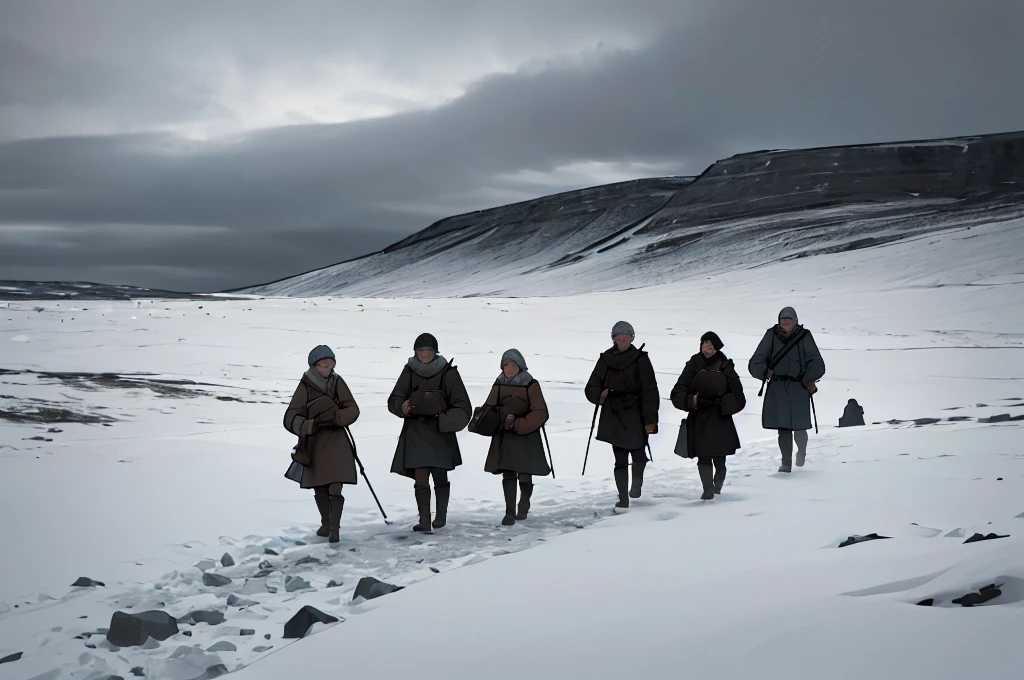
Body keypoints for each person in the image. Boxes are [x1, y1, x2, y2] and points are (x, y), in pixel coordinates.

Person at [388, 333, 472, 532]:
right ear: (415, 352)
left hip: (440, 431)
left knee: (440, 474)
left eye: (428, 350)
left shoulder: (447, 372)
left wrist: (444, 420)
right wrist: (403, 406)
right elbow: (394, 399)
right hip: (416, 430)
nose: (424, 354)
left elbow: (462, 406)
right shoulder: (408, 371)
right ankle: (424, 520)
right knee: (421, 475)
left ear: (435, 352)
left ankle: (440, 517)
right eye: (421, 350)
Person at [282, 345, 361, 543]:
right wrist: (309, 425)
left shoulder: (337, 382)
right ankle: (327, 525)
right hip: (314, 443)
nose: (326, 367)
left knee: (336, 484)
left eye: (329, 363)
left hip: (337, 441)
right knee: (320, 486)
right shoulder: (306, 385)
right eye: (322, 364)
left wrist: (336, 417)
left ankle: (334, 529)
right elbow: (290, 416)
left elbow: (353, 409)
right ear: (314, 366)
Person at [584, 321, 659, 509]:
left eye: (624, 334)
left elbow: (650, 390)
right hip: (613, 411)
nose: (621, 338)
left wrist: (650, 419)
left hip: (635, 410)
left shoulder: (640, 359)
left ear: (631, 336)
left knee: (638, 453)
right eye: (617, 335)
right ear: (613, 338)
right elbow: (591, 386)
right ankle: (623, 497)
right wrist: (600, 395)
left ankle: (636, 484)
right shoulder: (606, 359)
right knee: (620, 458)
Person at [748, 307, 826, 472]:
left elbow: (816, 360)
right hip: (777, 387)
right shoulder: (771, 335)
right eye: (782, 318)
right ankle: (786, 463)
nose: (784, 321)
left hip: (798, 387)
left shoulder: (805, 336)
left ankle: (802, 452)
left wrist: (807, 378)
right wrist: (764, 371)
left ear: (795, 320)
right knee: (783, 427)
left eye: (788, 318)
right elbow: (758, 358)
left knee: (799, 426)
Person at [670, 332, 746, 499]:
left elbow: (738, 394)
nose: (707, 347)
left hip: (720, 417)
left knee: (720, 459)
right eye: (705, 343)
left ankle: (717, 486)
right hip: (699, 416)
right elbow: (678, 391)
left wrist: (722, 402)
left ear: (717, 347)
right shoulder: (693, 364)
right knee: (703, 457)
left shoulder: (726, 366)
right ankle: (707, 490)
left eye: (711, 344)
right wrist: (694, 401)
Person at [481, 349, 551, 525]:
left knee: (524, 473)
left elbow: (540, 411)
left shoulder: (530, 384)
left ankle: (524, 502)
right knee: (508, 473)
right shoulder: (499, 383)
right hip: (504, 435)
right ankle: (509, 512)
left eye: (512, 364)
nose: (508, 368)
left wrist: (520, 424)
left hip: (525, 435)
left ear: (520, 366)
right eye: (505, 364)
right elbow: (489, 405)